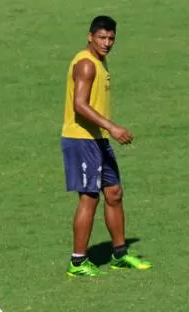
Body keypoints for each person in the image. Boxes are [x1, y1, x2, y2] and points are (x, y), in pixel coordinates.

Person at [61, 15, 151, 277]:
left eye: (111, 38)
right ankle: (77, 262)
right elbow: (80, 104)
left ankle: (120, 254)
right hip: (81, 139)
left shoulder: (100, 61)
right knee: (89, 197)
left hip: (97, 138)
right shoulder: (87, 65)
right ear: (90, 36)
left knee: (114, 193)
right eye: (102, 37)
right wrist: (112, 127)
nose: (107, 43)